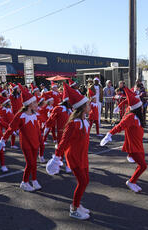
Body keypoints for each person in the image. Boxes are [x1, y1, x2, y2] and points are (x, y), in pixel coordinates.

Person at [46, 83, 91, 220]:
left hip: (83, 156)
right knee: (82, 182)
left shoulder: (85, 120)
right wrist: (56, 158)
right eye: (88, 104)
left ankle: (77, 204)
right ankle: (74, 208)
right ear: (82, 107)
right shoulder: (74, 123)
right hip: (74, 157)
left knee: (86, 180)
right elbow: (64, 141)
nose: (90, 106)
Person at [100, 87, 147, 193]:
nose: (143, 108)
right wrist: (109, 134)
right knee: (143, 166)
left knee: (141, 165)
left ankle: (133, 180)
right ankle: (131, 182)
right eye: (141, 106)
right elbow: (120, 126)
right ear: (138, 108)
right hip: (133, 147)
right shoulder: (131, 117)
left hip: (139, 145)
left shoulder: (137, 117)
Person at [0, 84, 42, 192]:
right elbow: (11, 128)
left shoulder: (35, 114)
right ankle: (24, 182)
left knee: (34, 163)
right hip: (26, 143)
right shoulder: (20, 115)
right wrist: (3, 140)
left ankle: (34, 180)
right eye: (35, 102)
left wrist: (41, 140)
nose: (37, 104)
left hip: (35, 142)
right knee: (30, 163)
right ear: (29, 104)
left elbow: (37, 130)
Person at [44, 84, 72, 172]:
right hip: (61, 132)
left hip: (70, 133)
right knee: (60, 150)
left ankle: (68, 165)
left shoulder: (71, 110)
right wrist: (46, 127)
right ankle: (56, 166)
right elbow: (51, 120)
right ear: (66, 101)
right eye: (70, 101)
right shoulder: (58, 108)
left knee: (69, 150)